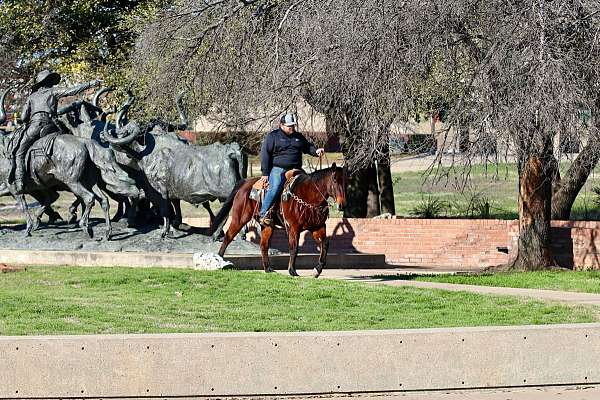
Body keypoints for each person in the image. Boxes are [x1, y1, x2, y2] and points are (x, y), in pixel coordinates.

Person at [12, 70, 100, 193]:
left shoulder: (32, 97)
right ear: (48, 81)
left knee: (19, 152)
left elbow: (23, 118)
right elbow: (72, 90)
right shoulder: (53, 91)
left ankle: (20, 182)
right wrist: (91, 83)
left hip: (35, 126)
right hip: (51, 126)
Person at [258, 113, 325, 226]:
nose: (292, 128)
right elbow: (265, 154)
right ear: (282, 125)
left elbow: (308, 147)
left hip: (296, 169)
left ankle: (308, 213)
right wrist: (265, 173)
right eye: (289, 126)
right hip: (279, 169)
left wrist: (316, 151)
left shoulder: (298, 137)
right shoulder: (273, 136)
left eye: (293, 126)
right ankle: (263, 214)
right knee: (275, 187)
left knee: (309, 185)